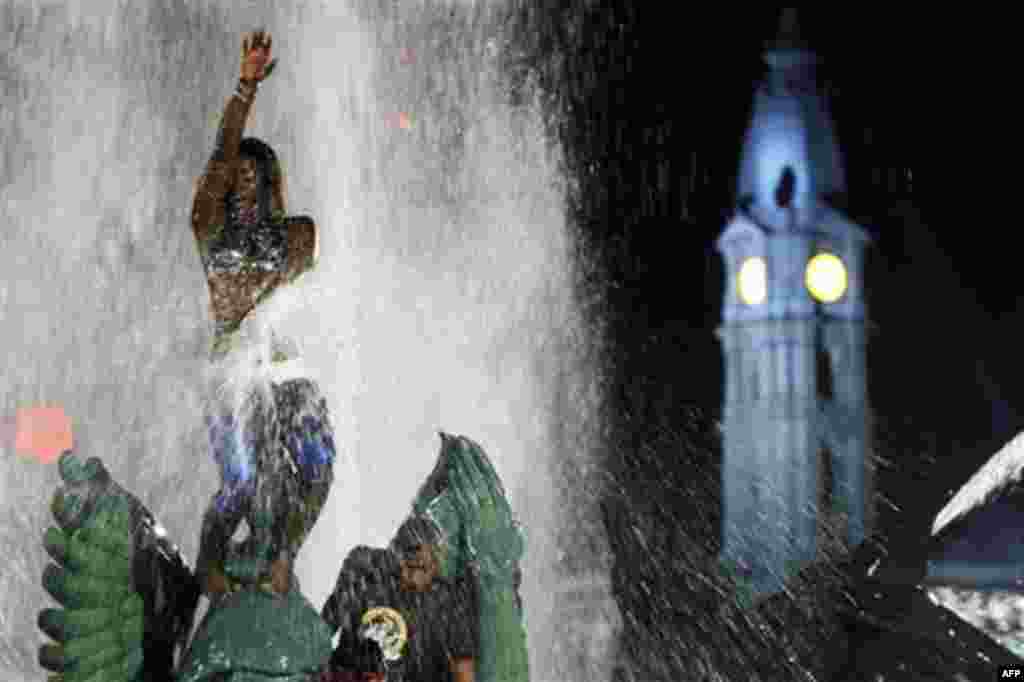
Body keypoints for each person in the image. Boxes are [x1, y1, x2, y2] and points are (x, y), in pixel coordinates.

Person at [191, 30, 334, 600]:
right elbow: (224, 154)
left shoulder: (292, 237)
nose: (241, 188)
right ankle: (209, 562)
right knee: (243, 484)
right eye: (233, 182)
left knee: (317, 466)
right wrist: (245, 89)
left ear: (271, 185)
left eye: (254, 179)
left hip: (284, 371)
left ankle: (283, 553)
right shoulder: (212, 234)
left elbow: (306, 253)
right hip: (230, 374)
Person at [322, 516, 478, 682]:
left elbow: (464, 667)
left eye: (422, 567)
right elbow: (319, 635)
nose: (412, 574)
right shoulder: (364, 577)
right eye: (408, 564)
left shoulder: (448, 600)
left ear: (436, 563)